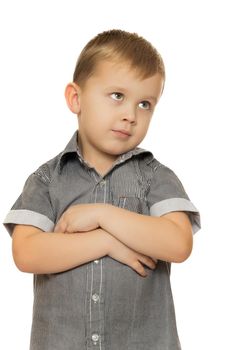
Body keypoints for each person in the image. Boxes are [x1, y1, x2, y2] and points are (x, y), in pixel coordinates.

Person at [3, 29, 201, 350]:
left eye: (145, 104)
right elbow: (26, 253)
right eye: (117, 96)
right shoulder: (47, 179)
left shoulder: (155, 177)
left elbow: (178, 243)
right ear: (76, 98)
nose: (130, 115)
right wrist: (106, 241)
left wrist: (102, 214)